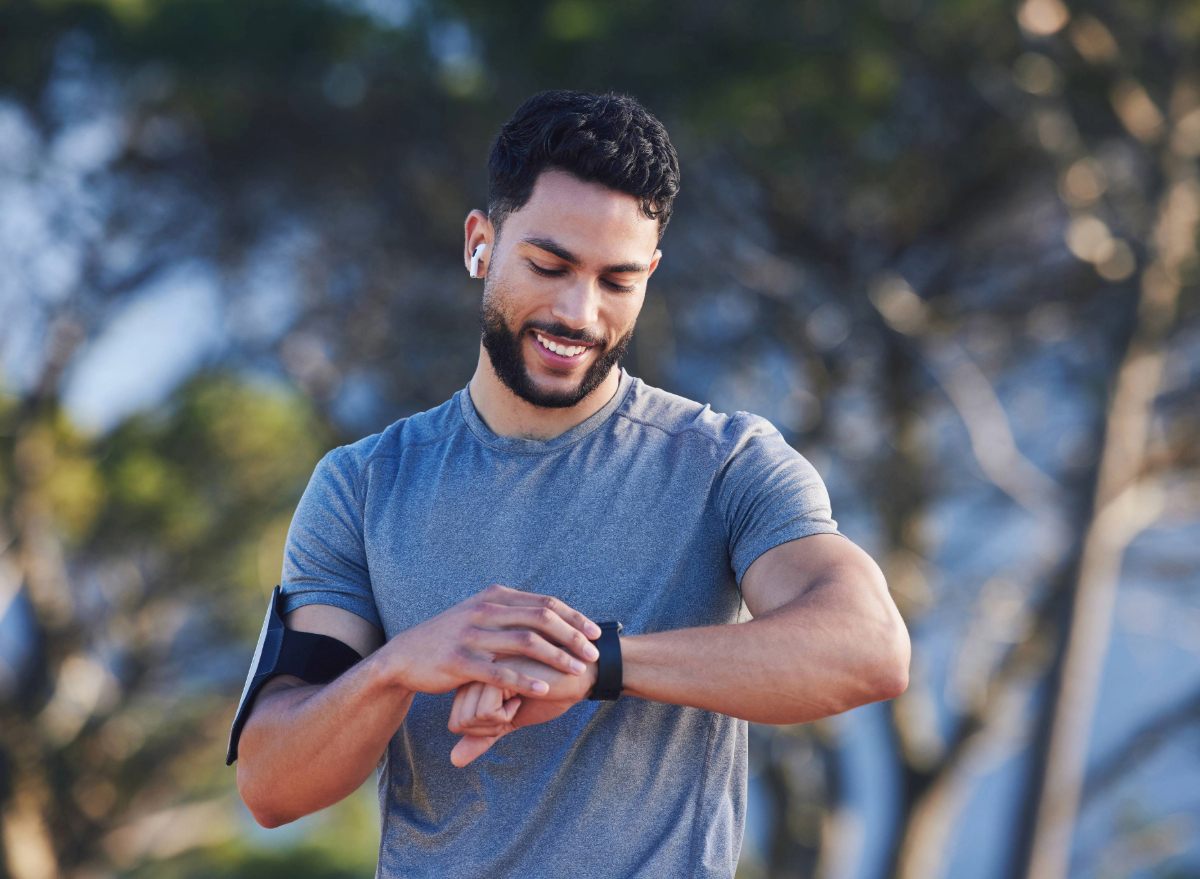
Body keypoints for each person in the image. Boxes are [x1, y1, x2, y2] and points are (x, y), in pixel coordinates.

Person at [233, 89, 910, 878]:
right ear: (480, 243)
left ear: (651, 274)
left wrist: (598, 665)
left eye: (616, 281)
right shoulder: (361, 485)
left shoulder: (726, 464)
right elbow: (270, 783)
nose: (578, 311)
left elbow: (869, 649)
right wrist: (399, 664)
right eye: (549, 265)